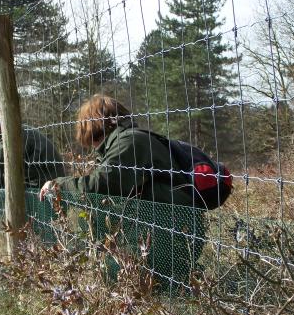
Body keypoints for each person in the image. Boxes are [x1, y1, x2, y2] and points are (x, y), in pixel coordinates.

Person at [39, 94, 206, 291]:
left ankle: (177, 283)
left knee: (109, 274)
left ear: (94, 127)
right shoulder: (123, 141)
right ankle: (176, 280)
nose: (91, 146)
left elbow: (101, 185)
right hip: (164, 228)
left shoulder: (129, 143)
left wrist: (57, 185)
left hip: (173, 232)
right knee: (108, 265)